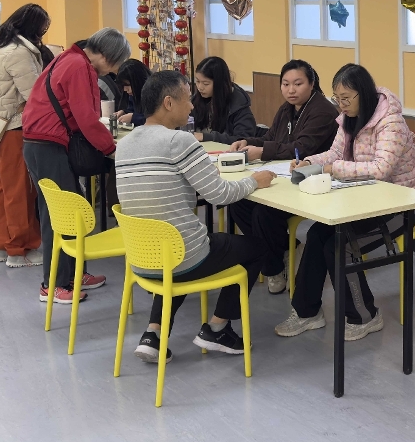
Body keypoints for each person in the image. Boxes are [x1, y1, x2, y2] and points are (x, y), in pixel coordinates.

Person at [115, 70, 275, 361]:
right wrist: (255, 181)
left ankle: (153, 334)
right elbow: (220, 195)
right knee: (257, 247)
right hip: (182, 256)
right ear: (168, 103)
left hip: (142, 256)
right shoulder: (179, 141)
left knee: (171, 243)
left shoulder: (124, 145)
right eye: (187, 100)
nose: (191, 106)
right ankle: (217, 327)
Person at [275, 64, 415, 341]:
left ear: (362, 94)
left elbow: (381, 169)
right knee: (316, 234)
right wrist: (309, 161)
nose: (341, 105)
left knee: (339, 244)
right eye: (337, 98)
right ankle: (307, 312)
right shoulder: (347, 118)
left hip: (397, 209)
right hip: (361, 202)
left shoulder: (390, 122)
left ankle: (365, 315)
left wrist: (335, 169)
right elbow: (334, 153)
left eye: (346, 99)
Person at [23, 27, 129, 304]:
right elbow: (86, 117)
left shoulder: (69, 58)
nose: (112, 71)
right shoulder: (79, 66)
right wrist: (111, 149)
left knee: (72, 211)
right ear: (106, 55)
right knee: (59, 216)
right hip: (47, 145)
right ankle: (53, 285)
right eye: (115, 64)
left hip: (43, 143)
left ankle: (73, 273)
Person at [227, 59, 339, 294]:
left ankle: (272, 268)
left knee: (263, 213)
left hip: (312, 184)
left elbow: (302, 147)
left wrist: (261, 152)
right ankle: (285, 251)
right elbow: (270, 138)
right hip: (284, 180)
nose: (291, 90)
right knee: (238, 204)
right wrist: (247, 142)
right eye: (285, 84)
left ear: (312, 84)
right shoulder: (287, 108)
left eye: (298, 83)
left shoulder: (323, 111)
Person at [0, 3, 54, 268]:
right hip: (15, 128)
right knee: (21, 192)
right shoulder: (20, 53)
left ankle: (2, 245)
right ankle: (19, 249)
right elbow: (35, 94)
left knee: (4, 190)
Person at [191, 56, 257, 144]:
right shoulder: (197, 99)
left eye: (206, 84)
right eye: (197, 81)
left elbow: (243, 139)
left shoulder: (238, 104)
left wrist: (207, 137)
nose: (200, 87)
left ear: (219, 83)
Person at [115, 59, 150, 126]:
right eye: (123, 85)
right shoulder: (134, 93)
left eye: (128, 85)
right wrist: (124, 112)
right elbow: (132, 110)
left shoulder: (154, 93)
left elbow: (156, 120)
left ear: (138, 81)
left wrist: (133, 118)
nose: (125, 89)